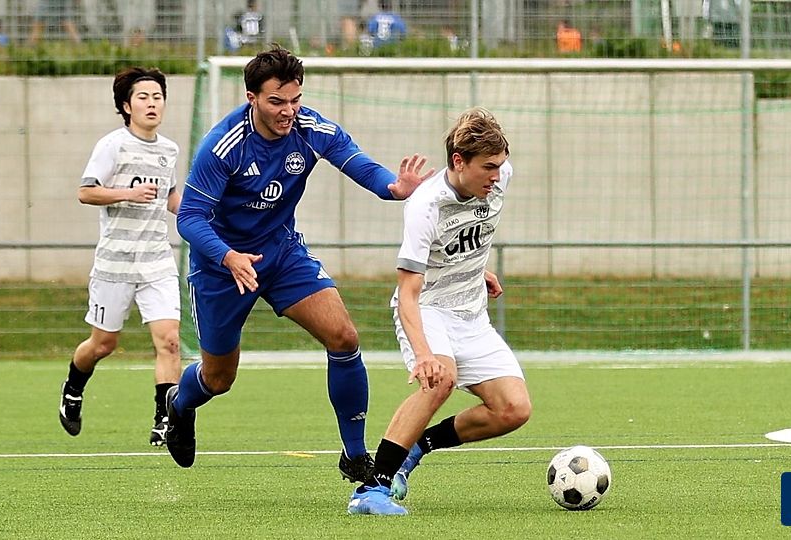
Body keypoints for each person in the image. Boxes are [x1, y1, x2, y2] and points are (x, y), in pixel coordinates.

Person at [166, 46, 433, 484]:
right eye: (276, 101)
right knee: (218, 378)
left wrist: (393, 187)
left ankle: (354, 455)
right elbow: (190, 218)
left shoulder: (309, 128)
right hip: (221, 267)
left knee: (344, 336)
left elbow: (354, 160)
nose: (288, 111)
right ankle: (180, 403)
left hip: (282, 254)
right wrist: (229, 256)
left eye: (295, 100)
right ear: (251, 98)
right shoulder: (222, 146)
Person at [347, 108, 532, 515]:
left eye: (500, 165)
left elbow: (462, 237)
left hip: (471, 314)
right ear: (458, 162)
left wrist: (477, 269)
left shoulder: (499, 178)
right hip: (428, 308)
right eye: (488, 167)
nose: (497, 176)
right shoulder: (425, 206)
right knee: (439, 380)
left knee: (513, 409)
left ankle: (416, 448)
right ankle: (371, 489)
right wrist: (424, 354)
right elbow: (408, 292)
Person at [58, 66, 182, 447]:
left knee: (170, 341)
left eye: (157, 97)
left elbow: (171, 199)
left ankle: (166, 420)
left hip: (157, 260)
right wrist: (128, 193)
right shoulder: (113, 145)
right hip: (116, 263)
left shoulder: (169, 151)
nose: (152, 104)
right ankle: (73, 388)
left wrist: (210, 215)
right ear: (127, 106)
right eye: (143, 97)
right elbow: (86, 192)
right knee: (103, 345)